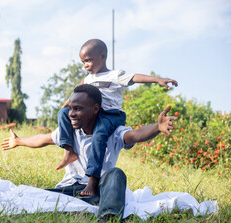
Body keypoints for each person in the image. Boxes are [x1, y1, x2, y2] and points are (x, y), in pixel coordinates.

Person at [1, 84, 177, 223]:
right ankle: (81, 205)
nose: (71, 113)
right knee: (32, 196)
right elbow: (43, 139)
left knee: (116, 174)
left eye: (77, 109)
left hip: (100, 191)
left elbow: (136, 135)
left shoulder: (113, 132)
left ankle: (108, 219)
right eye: (70, 108)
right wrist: (19, 141)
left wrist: (157, 127)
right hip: (71, 188)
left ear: (95, 109)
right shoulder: (69, 132)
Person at [56, 39, 178, 196]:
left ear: (102, 56)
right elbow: (76, 95)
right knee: (62, 113)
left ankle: (93, 179)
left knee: (99, 136)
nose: (85, 65)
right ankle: (69, 151)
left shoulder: (114, 75)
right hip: (95, 113)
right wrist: (65, 107)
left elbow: (135, 77)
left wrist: (157, 80)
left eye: (88, 60)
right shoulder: (87, 79)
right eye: (83, 62)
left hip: (111, 115)